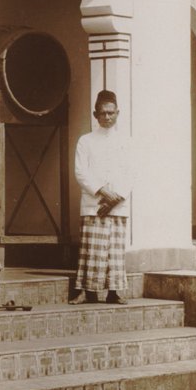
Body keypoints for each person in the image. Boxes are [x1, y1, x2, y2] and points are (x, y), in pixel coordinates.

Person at [71, 90, 132, 305]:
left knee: (114, 251)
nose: (107, 117)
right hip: (93, 204)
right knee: (92, 250)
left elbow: (131, 172)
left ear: (118, 113)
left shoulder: (127, 141)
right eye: (103, 113)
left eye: (111, 113)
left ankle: (114, 292)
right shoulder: (85, 141)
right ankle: (87, 291)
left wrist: (116, 198)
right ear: (95, 114)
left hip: (118, 206)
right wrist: (102, 192)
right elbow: (81, 172)